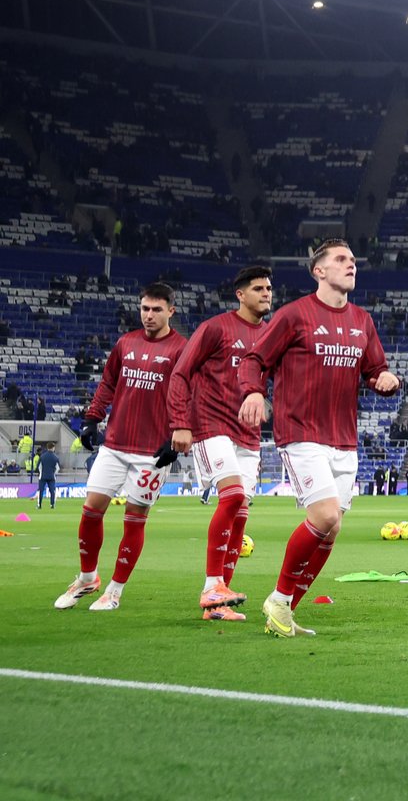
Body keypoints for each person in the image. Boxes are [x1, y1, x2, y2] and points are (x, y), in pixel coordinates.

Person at [239, 239, 400, 638]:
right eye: (341, 260)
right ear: (319, 271)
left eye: (353, 261)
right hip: (300, 431)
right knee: (325, 515)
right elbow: (255, 359)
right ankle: (279, 598)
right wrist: (254, 391)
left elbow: (374, 369)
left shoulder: (362, 320)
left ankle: (285, 609)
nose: (351, 266)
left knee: (333, 528)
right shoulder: (294, 315)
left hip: (344, 438)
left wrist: (385, 381)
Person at [54, 282, 187, 613]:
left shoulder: (182, 349)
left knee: (134, 517)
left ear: (171, 310)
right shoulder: (125, 343)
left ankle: (114, 590)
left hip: (152, 452)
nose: (149, 315)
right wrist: (91, 419)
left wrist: (177, 436)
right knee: (90, 510)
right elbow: (108, 382)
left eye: (157, 309)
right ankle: (88, 578)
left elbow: (190, 395)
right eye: (145, 308)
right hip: (114, 444)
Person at [164, 264, 275, 623]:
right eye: (258, 288)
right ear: (240, 294)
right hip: (211, 425)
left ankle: (218, 602)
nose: (266, 293)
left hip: (249, 434)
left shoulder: (272, 336)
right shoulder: (214, 328)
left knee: (241, 512)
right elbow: (181, 374)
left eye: (269, 288)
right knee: (232, 496)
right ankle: (212, 584)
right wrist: (180, 424)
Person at [34, 439, 59, 510]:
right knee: (52, 491)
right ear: (53, 448)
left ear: (47, 447)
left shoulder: (42, 456)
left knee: (40, 491)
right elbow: (57, 468)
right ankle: (52, 505)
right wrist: (53, 473)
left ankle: (39, 505)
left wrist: (41, 473)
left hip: (43, 476)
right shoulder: (56, 457)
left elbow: (39, 467)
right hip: (51, 477)